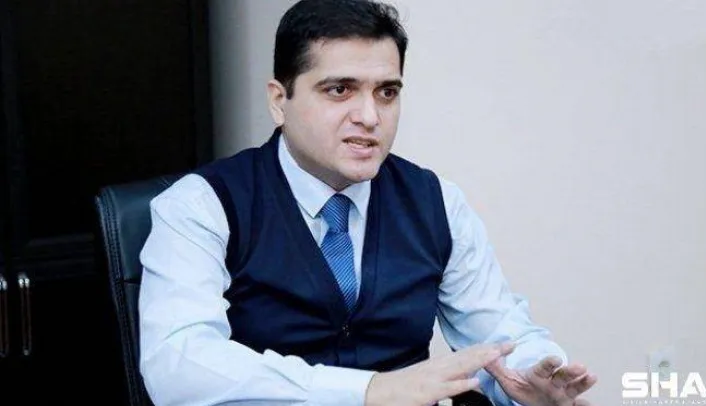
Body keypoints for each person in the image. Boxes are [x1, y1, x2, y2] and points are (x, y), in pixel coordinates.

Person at [138, 0, 598, 405]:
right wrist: (367, 391)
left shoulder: (435, 202)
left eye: (387, 93)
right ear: (279, 101)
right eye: (340, 90)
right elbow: (178, 366)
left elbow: (499, 331)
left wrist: (533, 378)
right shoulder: (202, 205)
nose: (369, 116)